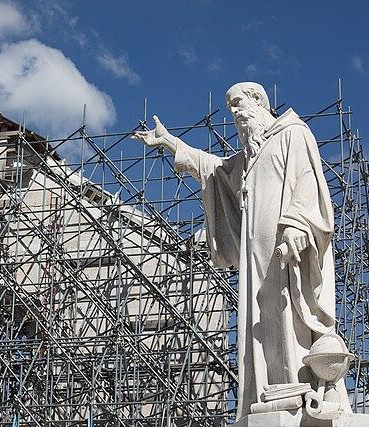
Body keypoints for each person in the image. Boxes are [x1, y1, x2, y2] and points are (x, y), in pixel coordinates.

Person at [131, 82, 351, 419]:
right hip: (255, 256)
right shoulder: (250, 157)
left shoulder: (292, 133)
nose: (234, 113)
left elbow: (308, 179)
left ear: (260, 102)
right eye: (230, 107)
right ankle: (268, 391)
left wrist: (297, 224)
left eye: (238, 104)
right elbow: (214, 170)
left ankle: (298, 388)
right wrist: (170, 142)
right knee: (259, 319)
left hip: (285, 245)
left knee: (288, 312)